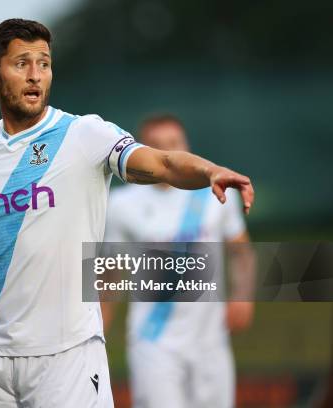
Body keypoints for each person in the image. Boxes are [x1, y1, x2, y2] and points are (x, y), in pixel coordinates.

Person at [0, 19, 255, 407]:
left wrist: (208, 171)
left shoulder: (85, 135)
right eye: (21, 64)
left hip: (67, 359)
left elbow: (164, 163)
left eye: (44, 63)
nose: (36, 75)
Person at [102, 114, 256, 408]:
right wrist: (97, 333)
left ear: (186, 146)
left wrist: (243, 296)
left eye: (174, 144)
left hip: (212, 343)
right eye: (157, 146)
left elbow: (241, 250)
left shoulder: (214, 193)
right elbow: (110, 276)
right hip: (153, 344)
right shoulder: (121, 205)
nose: (168, 153)